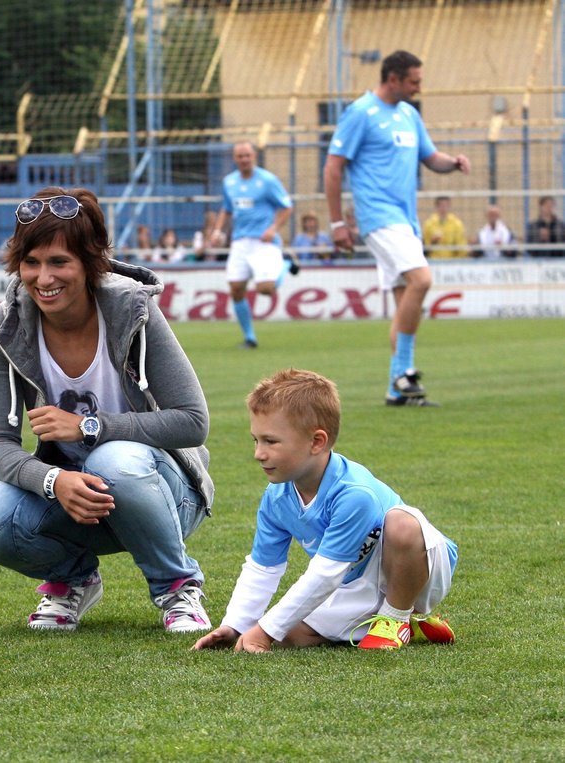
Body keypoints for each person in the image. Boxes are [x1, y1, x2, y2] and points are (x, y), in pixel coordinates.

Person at [0, 186, 215, 635]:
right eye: (32, 262)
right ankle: (71, 581)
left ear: (90, 261)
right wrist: (52, 479)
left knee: (112, 458)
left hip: (163, 493)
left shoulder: (133, 311)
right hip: (75, 500)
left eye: (59, 262)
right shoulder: (6, 326)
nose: (43, 278)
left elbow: (193, 421)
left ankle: (177, 585)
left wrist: (87, 427)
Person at [192, 369, 457, 654]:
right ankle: (405, 626)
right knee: (287, 635)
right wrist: (236, 625)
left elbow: (325, 573)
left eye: (270, 441)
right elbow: (263, 568)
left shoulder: (354, 493)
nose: (258, 453)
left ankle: (396, 617)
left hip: (421, 569)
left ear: (317, 442)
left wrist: (265, 630)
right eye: (255, 440)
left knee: (402, 523)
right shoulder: (276, 498)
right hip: (354, 583)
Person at [324, 49, 471, 407]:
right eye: (414, 82)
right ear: (394, 79)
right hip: (378, 216)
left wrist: (452, 163)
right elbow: (333, 167)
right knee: (422, 280)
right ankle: (405, 371)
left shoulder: (408, 114)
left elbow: (429, 156)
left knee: (406, 298)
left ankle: (396, 388)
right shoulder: (361, 113)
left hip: (406, 220)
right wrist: (338, 222)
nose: (419, 88)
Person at [211, 141, 295, 349]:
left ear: (254, 156)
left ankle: (285, 264)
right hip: (240, 242)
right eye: (240, 156)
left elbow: (286, 207)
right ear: (234, 158)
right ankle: (250, 337)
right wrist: (217, 230)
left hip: (263, 242)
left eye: (247, 155)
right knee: (236, 288)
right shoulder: (229, 182)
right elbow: (227, 209)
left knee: (266, 289)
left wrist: (273, 228)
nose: (244, 159)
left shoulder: (267, 180)